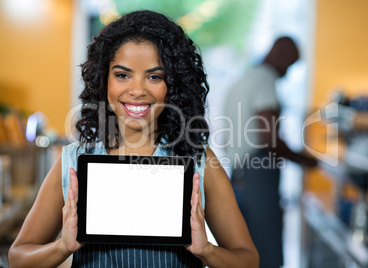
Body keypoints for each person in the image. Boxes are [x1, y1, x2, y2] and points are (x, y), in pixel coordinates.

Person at [8, 10, 259, 267]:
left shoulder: (199, 161)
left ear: (174, 85)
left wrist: (207, 250)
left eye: (154, 77)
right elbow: (18, 258)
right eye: (122, 75)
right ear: (103, 81)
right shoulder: (74, 160)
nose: (137, 90)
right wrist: (62, 247)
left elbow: (248, 260)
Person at [223, 36, 316, 268]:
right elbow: (270, 138)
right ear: (280, 53)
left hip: (240, 173)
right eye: (290, 64)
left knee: (244, 249)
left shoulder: (246, 78)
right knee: (267, 251)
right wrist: (303, 159)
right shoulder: (265, 79)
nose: (287, 72)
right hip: (258, 172)